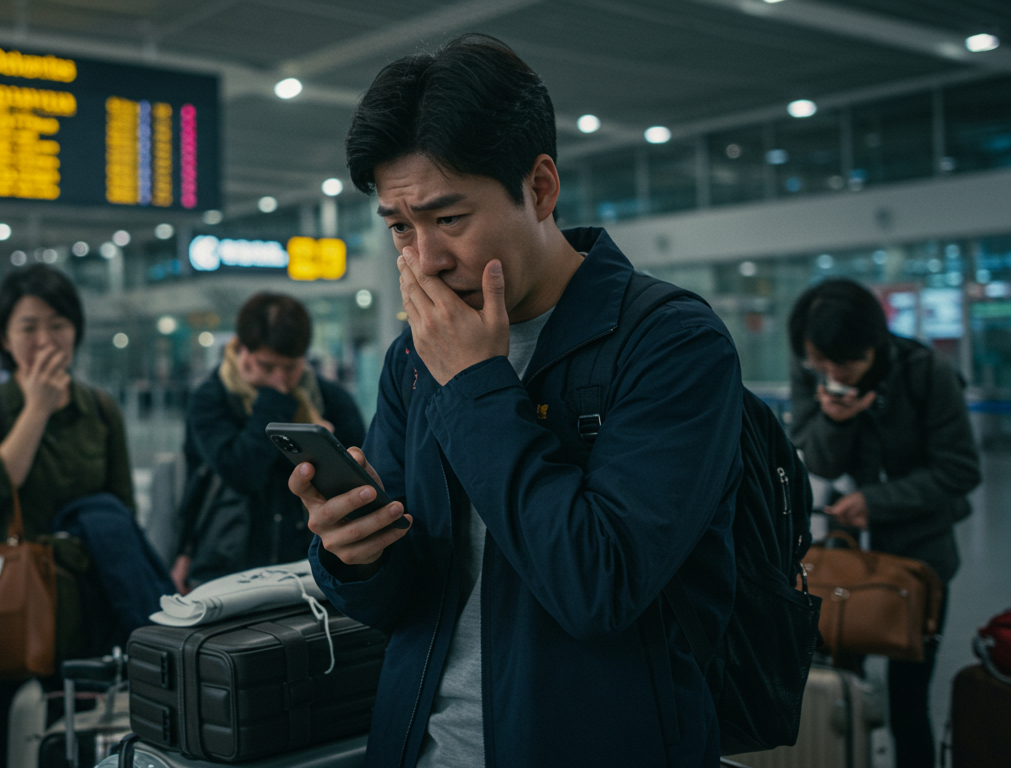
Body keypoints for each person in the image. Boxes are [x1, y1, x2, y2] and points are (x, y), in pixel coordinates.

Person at [291, 35, 744, 766]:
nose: (425, 259)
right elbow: (401, 603)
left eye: (449, 219)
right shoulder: (413, 357)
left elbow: (598, 588)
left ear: (539, 188)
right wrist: (354, 556)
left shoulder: (672, 344)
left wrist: (476, 385)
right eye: (401, 227)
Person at [788, 278, 981, 768]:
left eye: (845, 363)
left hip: (918, 562)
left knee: (908, 702)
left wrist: (876, 502)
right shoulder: (815, 372)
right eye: (821, 363)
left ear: (873, 344)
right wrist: (836, 419)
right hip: (840, 560)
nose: (833, 374)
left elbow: (960, 470)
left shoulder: (926, 373)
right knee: (838, 689)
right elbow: (821, 463)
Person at [0, 264, 135, 768]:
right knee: (1, 744)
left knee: (88, 747)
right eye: (28, 327)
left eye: (58, 324)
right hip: (9, 612)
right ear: (4, 339)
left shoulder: (100, 409)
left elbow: (122, 510)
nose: (45, 340)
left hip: (89, 612)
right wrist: (35, 409)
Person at [173, 294, 365, 591]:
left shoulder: (331, 401)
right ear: (243, 351)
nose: (280, 379)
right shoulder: (212, 398)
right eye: (266, 366)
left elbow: (358, 477)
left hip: (309, 562)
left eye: (289, 368)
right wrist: (274, 402)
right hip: (229, 560)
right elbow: (240, 472)